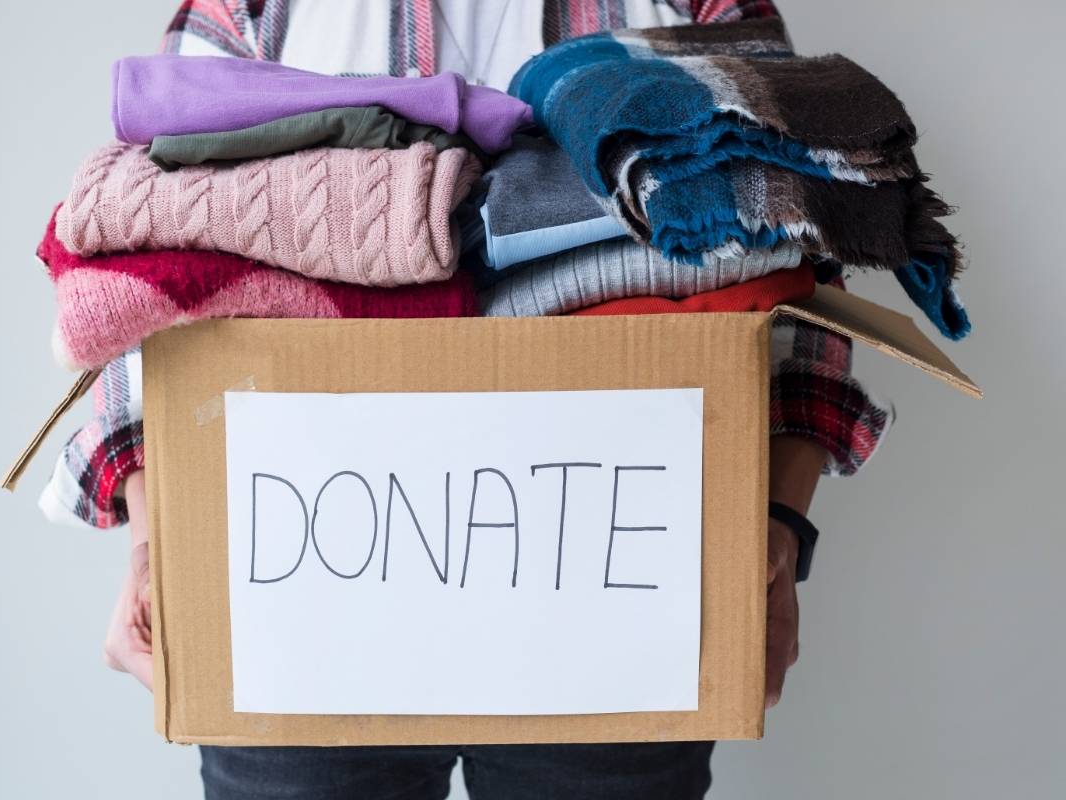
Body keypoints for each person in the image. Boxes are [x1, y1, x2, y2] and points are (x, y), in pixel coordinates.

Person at [44, 2, 895, 797]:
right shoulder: (255, 5)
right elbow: (150, 260)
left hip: (618, 598)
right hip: (298, 599)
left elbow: (799, 260)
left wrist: (779, 530)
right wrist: (158, 541)